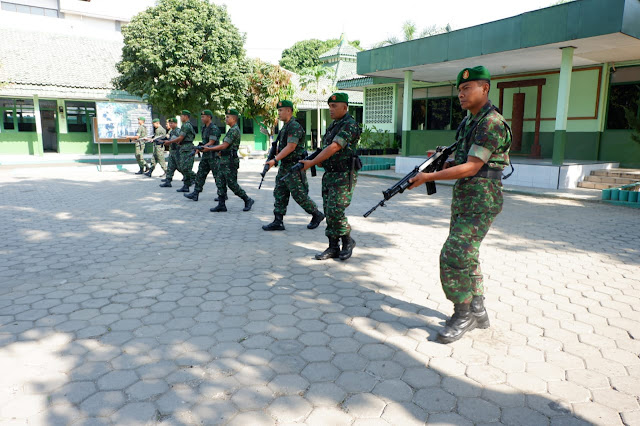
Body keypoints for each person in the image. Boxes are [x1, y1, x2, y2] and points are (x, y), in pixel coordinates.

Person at [407, 66, 512, 344]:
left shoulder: (492, 122)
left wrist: (429, 176)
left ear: (484, 88)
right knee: (468, 254)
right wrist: (441, 162)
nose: (461, 94)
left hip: (483, 198)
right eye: (459, 90)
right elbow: (464, 162)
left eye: (466, 88)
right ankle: (478, 311)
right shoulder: (469, 122)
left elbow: (472, 167)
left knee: (453, 254)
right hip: (466, 197)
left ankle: (462, 314)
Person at [299, 93, 360, 261]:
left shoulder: (350, 125)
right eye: (329, 107)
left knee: (335, 210)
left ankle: (347, 241)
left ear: (345, 107)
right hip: (330, 174)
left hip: (343, 175)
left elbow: (334, 147)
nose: (331, 110)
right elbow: (325, 149)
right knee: (328, 209)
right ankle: (333, 247)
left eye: (334, 106)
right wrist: (317, 160)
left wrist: (312, 163)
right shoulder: (334, 125)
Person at [262, 100, 325, 231]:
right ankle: (278, 221)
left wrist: (275, 159)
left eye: (281, 110)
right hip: (285, 166)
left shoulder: (294, 126)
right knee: (279, 192)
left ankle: (316, 214)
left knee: (299, 194)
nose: (278, 113)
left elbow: (291, 147)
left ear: (289, 111)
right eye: (278, 110)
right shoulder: (285, 127)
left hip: (294, 167)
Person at [204, 109, 254, 212]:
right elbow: (226, 147)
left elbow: (224, 145)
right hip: (225, 159)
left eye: (228, 117)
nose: (226, 119)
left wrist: (209, 148)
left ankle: (247, 199)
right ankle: (221, 204)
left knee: (232, 184)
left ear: (234, 118)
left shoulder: (234, 130)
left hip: (230, 161)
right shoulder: (231, 129)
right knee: (220, 181)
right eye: (226, 116)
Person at [184, 110, 222, 202]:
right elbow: (205, 142)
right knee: (200, 174)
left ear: (209, 117)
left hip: (214, 156)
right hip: (206, 156)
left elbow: (211, 142)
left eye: (203, 117)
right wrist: (198, 148)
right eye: (201, 117)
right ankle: (195, 193)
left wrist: (201, 147)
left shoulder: (214, 128)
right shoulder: (204, 128)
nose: (202, 118)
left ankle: (222, 195)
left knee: (218, 176)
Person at [164, 110, 197, 193]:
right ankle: (186, 185)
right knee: (183, 167)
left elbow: (181, 137)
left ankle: (196, 178)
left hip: (187, 148)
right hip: (184, 147)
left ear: (186, 116)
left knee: (185, 168)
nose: (181, 117)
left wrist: (169, 142)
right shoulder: (185, 125)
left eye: (182, 116)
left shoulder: (186, 126)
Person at [159, 118, 181, 188]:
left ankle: (192, 177)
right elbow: (170, 140)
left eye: (172, 123)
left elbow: (179, 141)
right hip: (172, 151)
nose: (170, 125)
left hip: (177, 151)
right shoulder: (171, 131)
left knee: (181, 167)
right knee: (170, 167)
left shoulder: (178, 131)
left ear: (176, 123)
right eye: (170, 123)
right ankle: (168, 181)